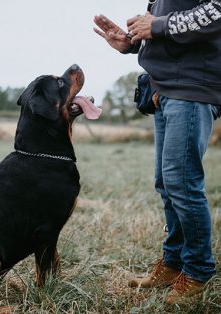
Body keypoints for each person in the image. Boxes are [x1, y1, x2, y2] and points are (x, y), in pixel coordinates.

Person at [93, 0, 221, 305]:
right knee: (167, 183)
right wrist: (132, 44)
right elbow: (177, 33)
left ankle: (198, 271)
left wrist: (158, 25)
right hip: (165, 88)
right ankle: (174, 262)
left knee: (183, 184)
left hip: (192, 90)